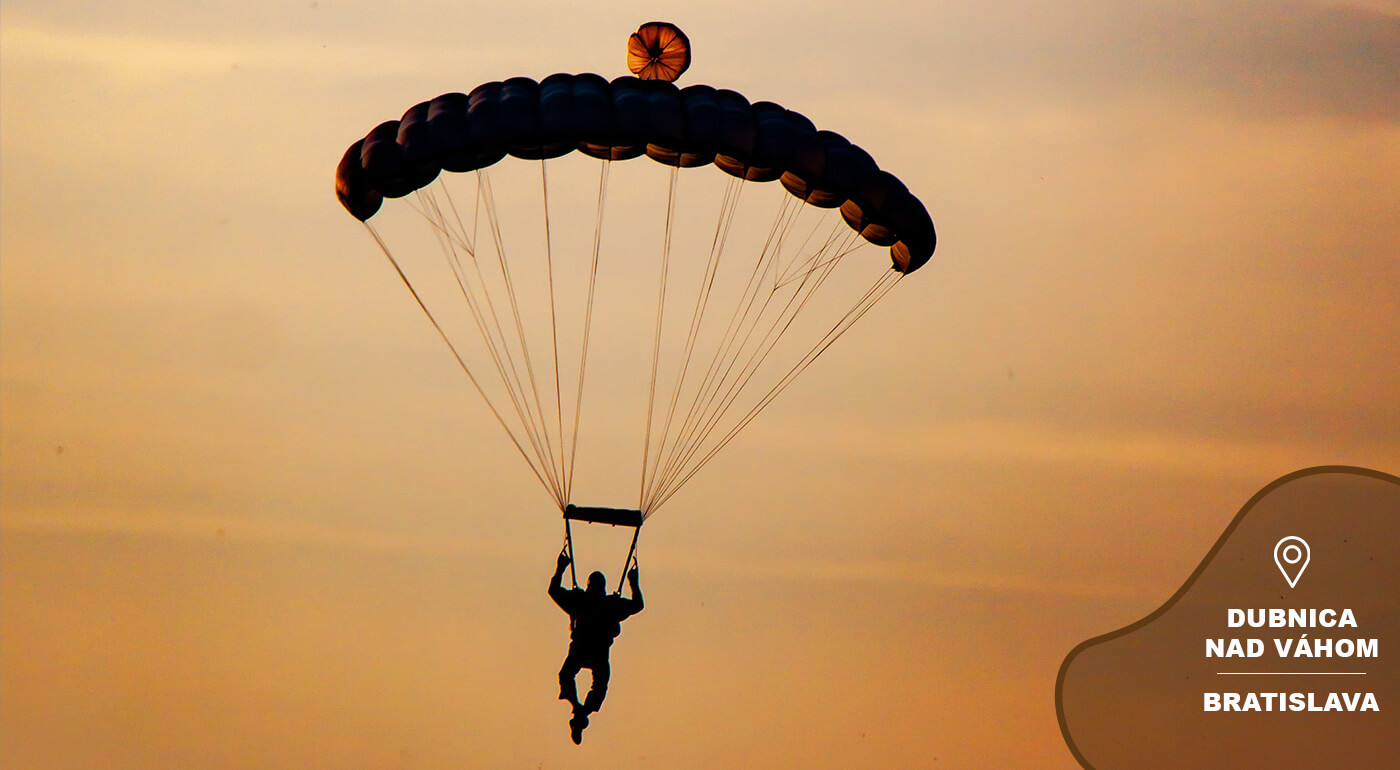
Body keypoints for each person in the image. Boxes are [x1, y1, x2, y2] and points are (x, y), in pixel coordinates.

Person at [549, 552, 643, 744]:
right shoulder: (609, 605)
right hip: (595, 653)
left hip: (585, 651)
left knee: (571, 676)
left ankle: (579, 710)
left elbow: (554, 590)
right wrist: (633, 582)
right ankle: (580, 711)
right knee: (591, 683)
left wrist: (560, 568)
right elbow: (637, 605)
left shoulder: (581, 601)